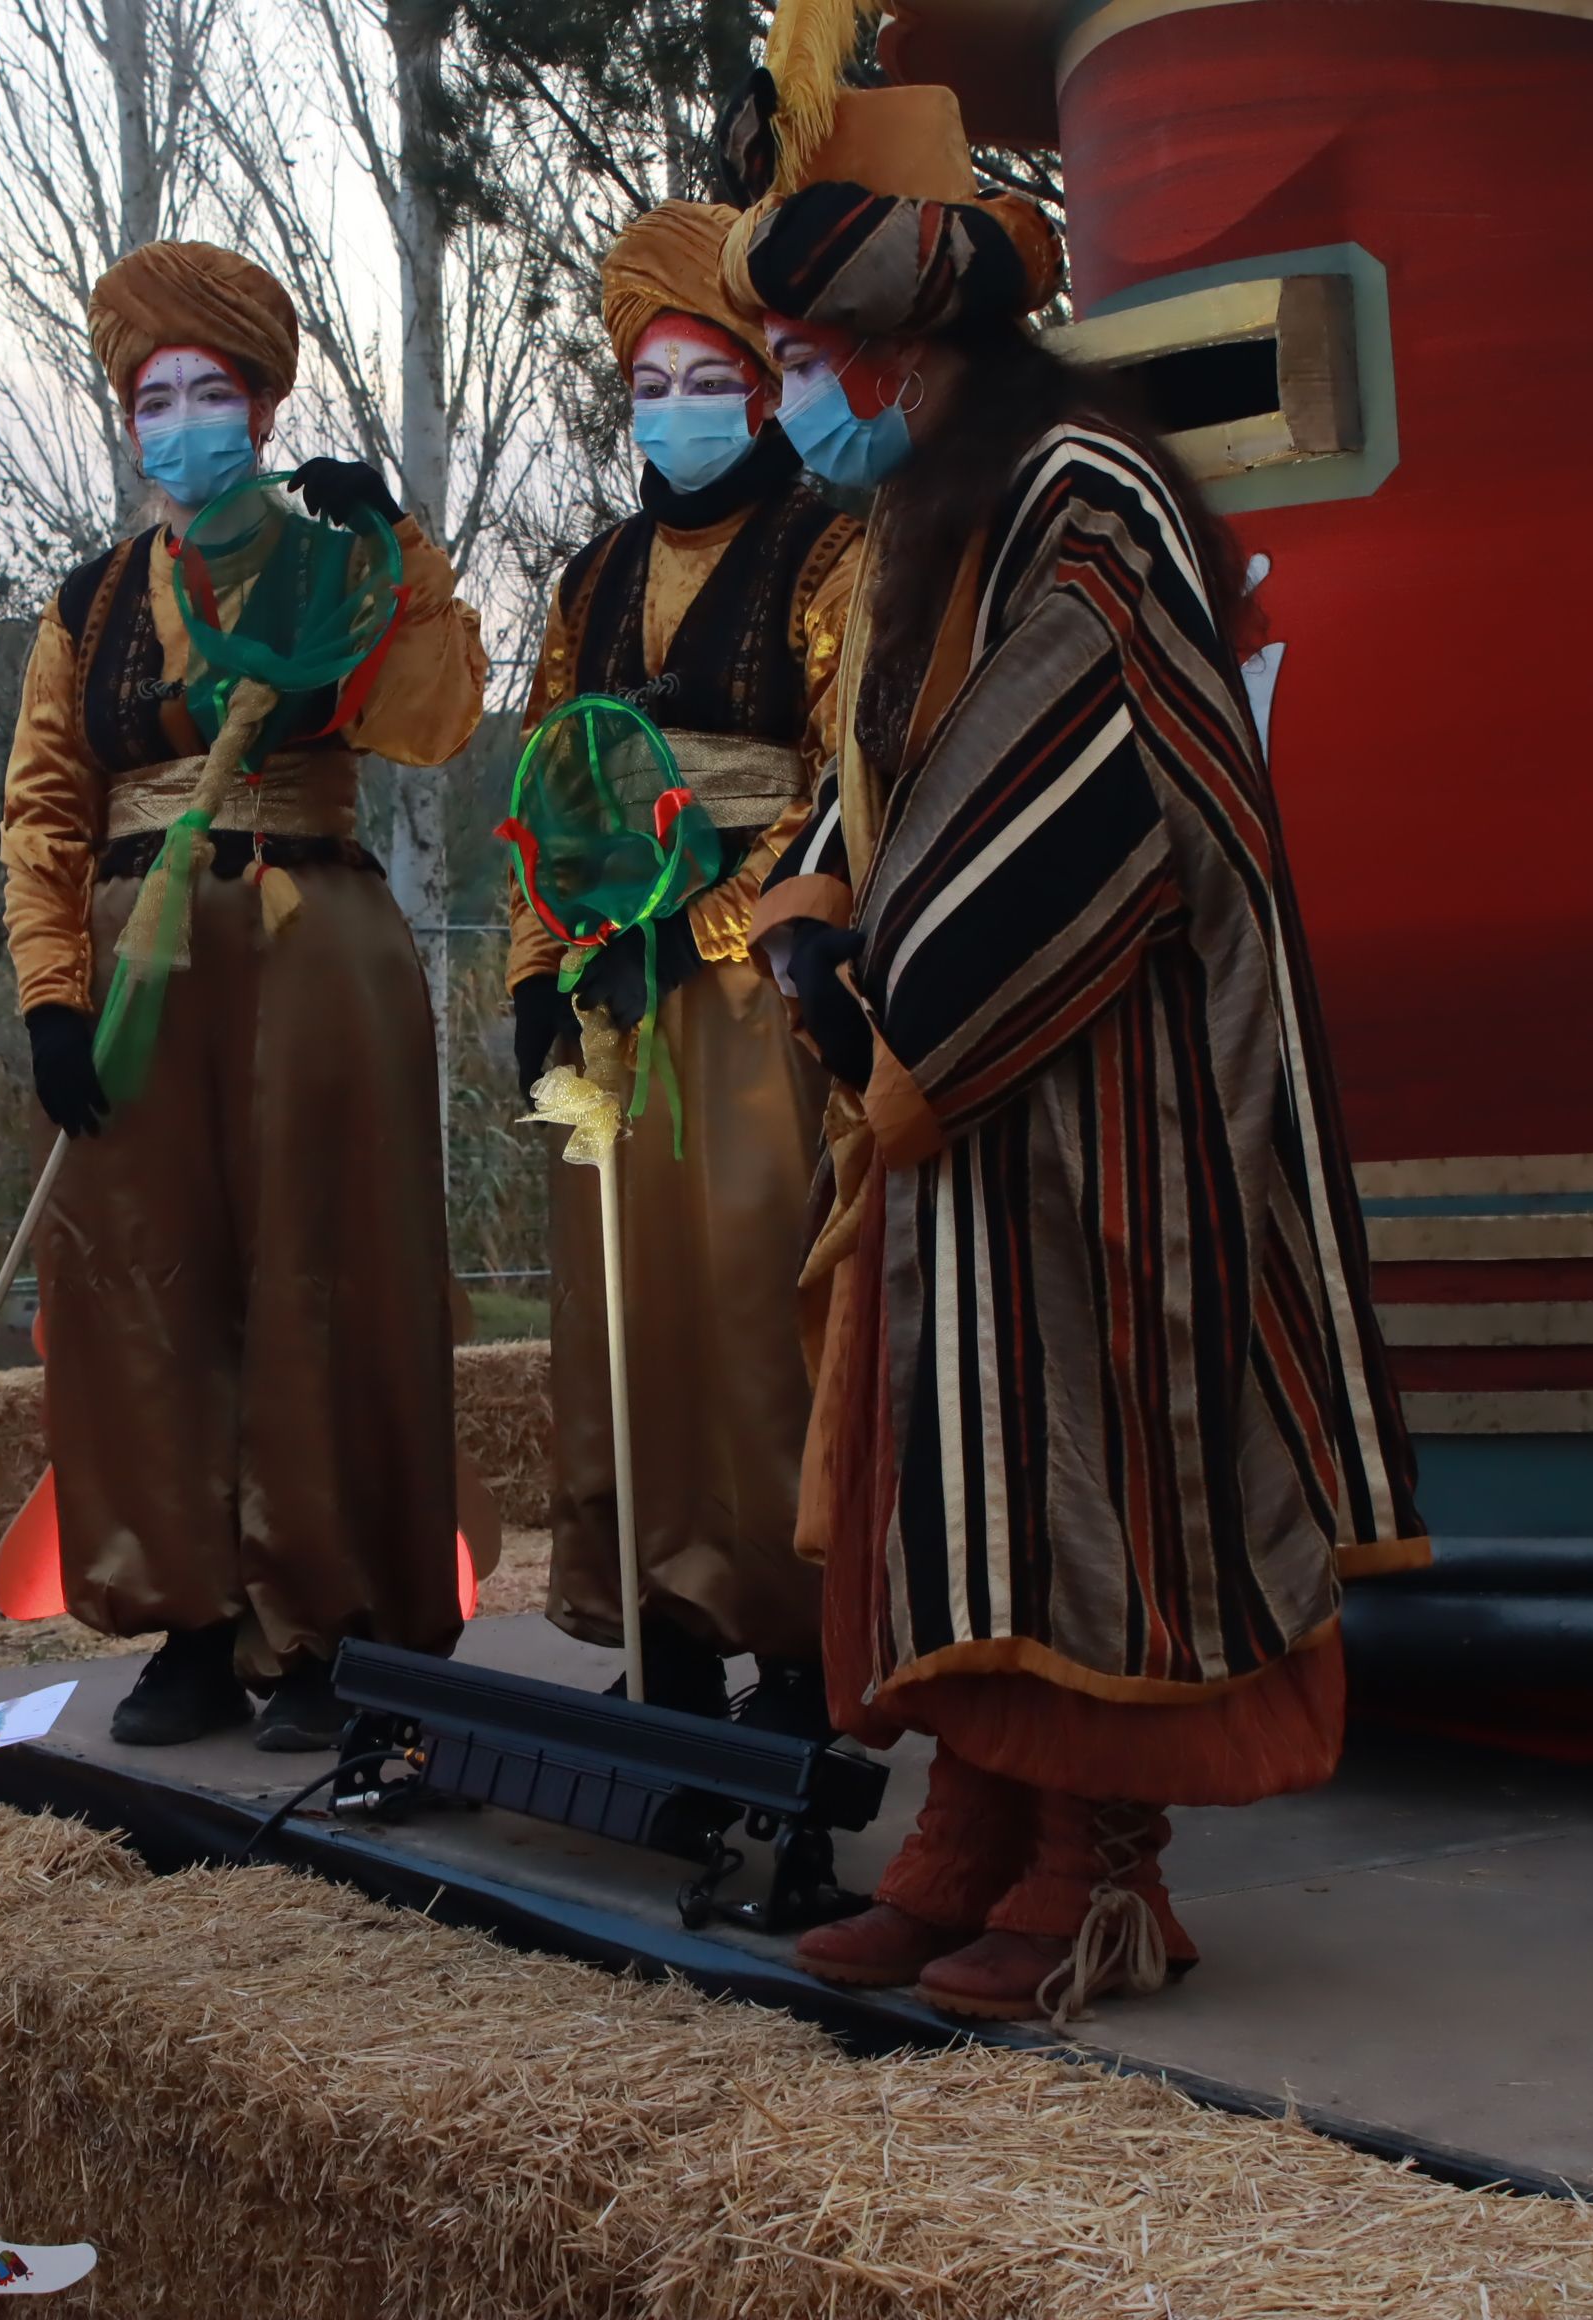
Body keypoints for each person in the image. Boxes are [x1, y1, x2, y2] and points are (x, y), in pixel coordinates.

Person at [713, 31, 1427, 2023]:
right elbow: (886, 783)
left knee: (1094, 1466)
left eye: (789, 359)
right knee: (958, 1472)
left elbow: (1090, 780)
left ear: (891, 353)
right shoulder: (919, 520)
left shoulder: (1077, 486)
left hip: (1105, 1078)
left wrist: (903, 1005)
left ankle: (1097, 1865)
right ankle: (969, 1821)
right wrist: (808, 918)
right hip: (971, 1093)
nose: (781, 398)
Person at [0, 239, 488, 1752]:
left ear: (264, 413)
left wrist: (403, 548)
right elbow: (44, 812)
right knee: (142, 1289)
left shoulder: (340, 563)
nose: (188, 420)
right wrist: (51, 997)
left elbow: (434, 715)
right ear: (130, 422)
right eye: (160, 397)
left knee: (322, 1279)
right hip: (141, 962)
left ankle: (331, 1627)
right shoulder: (84, 608)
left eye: (217, 391)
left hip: (313, 944)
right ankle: (192, 1621)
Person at [508, 200, 856, 1736]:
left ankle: (795, 1638)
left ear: (766, 384)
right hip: (611, 1002)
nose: (675, 411)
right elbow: (546, 785)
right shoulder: (593, 575)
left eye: (706, 377)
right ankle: (658, 1625)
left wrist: (712, 920)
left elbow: (844, 779)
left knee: (751, 1310)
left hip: (754, 994)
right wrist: (539, 964)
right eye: (648, 383)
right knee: (617, 1313)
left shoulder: (833, 549)